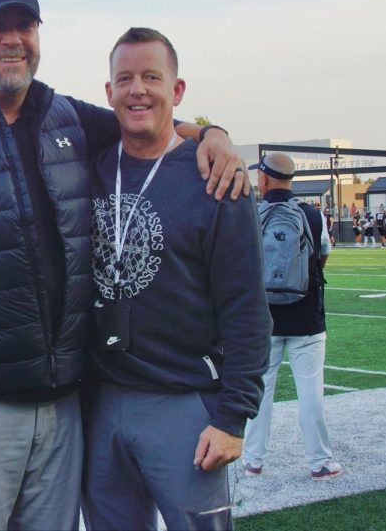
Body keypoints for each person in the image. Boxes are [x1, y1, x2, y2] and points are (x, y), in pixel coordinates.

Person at [0, 0, 248, 531]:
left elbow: (143, 118)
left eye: (25, 26)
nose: (11, 40)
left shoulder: (67, 118)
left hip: (65, 411)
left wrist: (212, 133)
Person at [81, 28, 268, 531]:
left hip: (184, 404)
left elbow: (246, 306)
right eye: (125, 79)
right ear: (108, 92)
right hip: (99, 400)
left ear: (177, 90)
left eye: (151, 77)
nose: (137, 89)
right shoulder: (87, 165)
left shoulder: (215, 177)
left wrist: (233, 419)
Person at [242, 152, 340, 482]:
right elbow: (322, 256)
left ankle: (253, 459)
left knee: (260, 390)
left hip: (263, 320)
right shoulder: (312, 215)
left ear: (265, 179)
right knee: (311, 392)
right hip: (307, 317)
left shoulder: (252, 215)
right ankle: (320, 462)